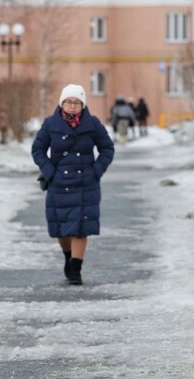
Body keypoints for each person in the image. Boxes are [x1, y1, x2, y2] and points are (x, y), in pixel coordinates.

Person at [31, 83, 115, 286]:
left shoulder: (93, 124)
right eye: (69, 101)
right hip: (59, 183)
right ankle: (68, 256)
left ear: (83, 105)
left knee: (80, 227)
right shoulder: (51, 123)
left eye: (77, 102)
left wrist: (96, 172)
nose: (73, 106)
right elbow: (38, 150)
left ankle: (76, 267)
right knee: (62, 229)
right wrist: (50, 172)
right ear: (62, 103)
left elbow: (107, 148)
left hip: (85, 184)